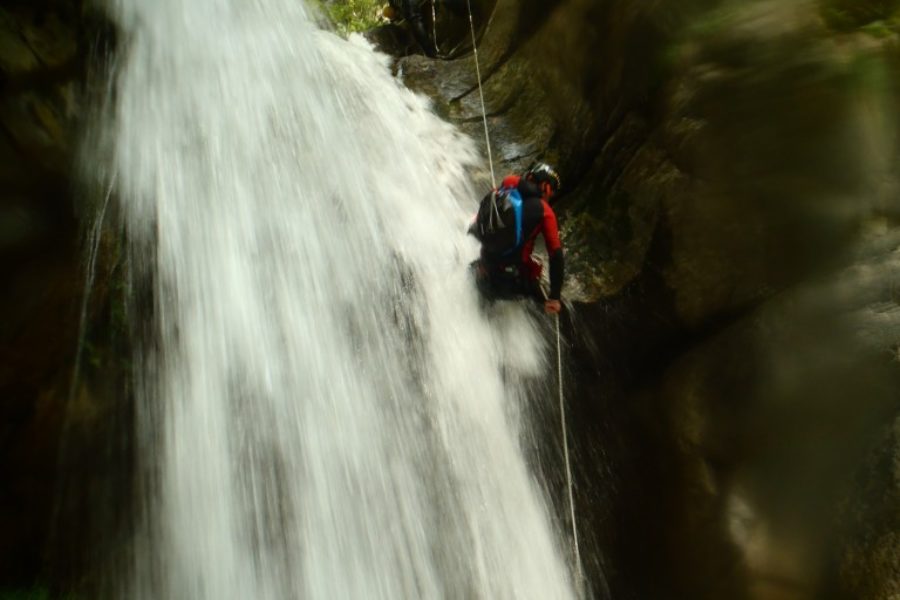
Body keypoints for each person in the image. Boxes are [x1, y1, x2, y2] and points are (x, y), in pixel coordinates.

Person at [470, 163, 565, 315]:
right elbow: (556, 255)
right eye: (551, 193)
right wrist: (554, 298)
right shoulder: (545, 212)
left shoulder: (503, 190)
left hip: (484, 272)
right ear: (546, 187)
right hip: (512, 283)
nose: (550, 197)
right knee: (546, 295)